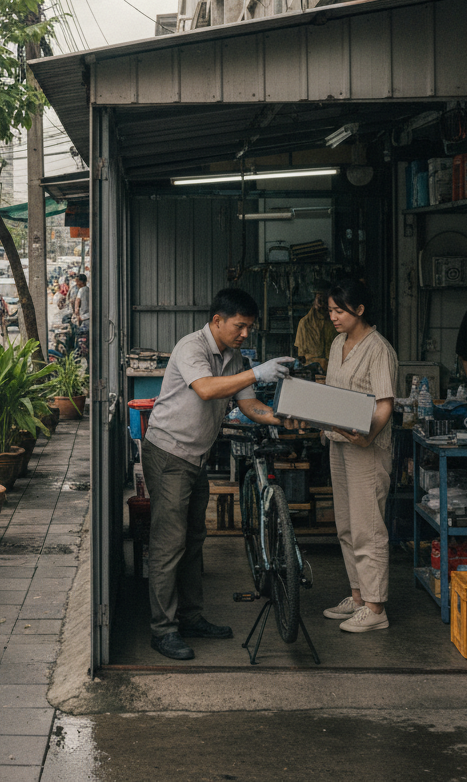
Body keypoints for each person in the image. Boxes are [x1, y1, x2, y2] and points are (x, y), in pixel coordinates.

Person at [143, 288, 298, 660]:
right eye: (239, 326)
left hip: (196, 456)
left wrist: (283, 418)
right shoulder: (191, 348)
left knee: (194, 539)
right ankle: (163, 630)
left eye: (249, 328)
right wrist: (257, 371)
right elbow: (206, 389)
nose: (245, 334)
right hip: (168, 454)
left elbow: (249, 404)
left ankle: (190, 617)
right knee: (169, 543)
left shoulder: (235, 357)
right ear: (217, 321)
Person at [321, 278, 398, 634]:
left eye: (339, 310)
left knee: (368, 526)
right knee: (347, 525)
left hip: (367, 448)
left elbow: (385, 404)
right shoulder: (338, 343)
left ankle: (376, 607)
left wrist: (369, 437)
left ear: (360, 310)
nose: (333, 317)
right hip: (339, 441)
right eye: (331, 310)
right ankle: (358, 597)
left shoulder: (378, 349)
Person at [294, 280, 338, 372]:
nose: (321, 302)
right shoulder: (304, 323)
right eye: (318, 298)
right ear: (314, 300)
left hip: (334, 371)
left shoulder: (336, 323)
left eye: (324, 298)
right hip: (312, 372)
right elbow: (301, 357)